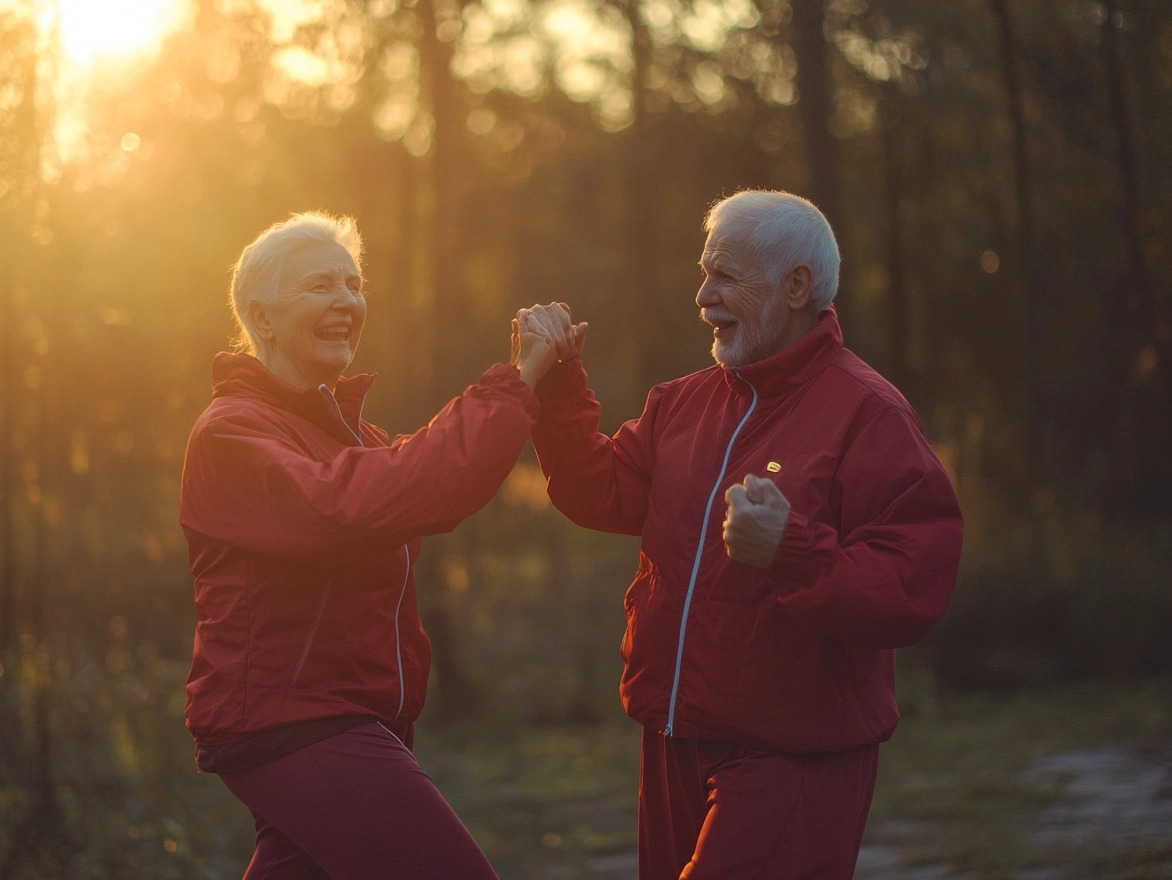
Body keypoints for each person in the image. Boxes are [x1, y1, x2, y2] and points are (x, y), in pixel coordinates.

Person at [521, 190, 963, 880]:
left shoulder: (870, 414)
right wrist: (555, 387)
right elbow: (596, 491)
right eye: (704, 273)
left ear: (796, 287)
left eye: (725, 276)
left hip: (795, 750)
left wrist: (791, 549)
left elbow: (912, 588)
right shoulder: (681, 402)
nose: (703, 296)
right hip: (673, 735)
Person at [179, 211, 558, 880]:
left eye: (354, 285)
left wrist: (524, 385)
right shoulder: (231, 436)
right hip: (295, 723)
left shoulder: (350, 438)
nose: (346, 302)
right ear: (262, 319)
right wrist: (514, 381)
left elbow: (420, 466)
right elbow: (363, 497)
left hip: (342, 719)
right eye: (320, 286)